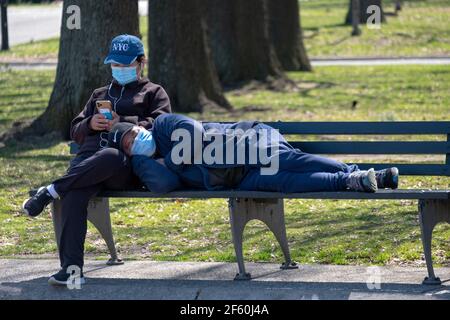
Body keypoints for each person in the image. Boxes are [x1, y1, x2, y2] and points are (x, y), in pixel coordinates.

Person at [22, 34, 172, 286]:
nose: (119, 70)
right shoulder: (99, 94)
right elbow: (75, 131)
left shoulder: (154, 93)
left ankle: (50, 190)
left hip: (122, 168)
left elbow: (161, 128)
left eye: (125, 65)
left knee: (111, 156)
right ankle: (71, 270)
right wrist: (91, 123)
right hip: (86, 165)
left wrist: (121, 124)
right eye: (115, 64)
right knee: (73, 194)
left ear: (140, 62)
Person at [107, 114, 399, 195]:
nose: (137, 141)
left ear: (138, 127)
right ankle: (350, 183)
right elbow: (163, 185)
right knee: (285, 183)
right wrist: (143, 160)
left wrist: (168, 160)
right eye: (130, 147)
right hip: (236, 179)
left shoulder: (162, 126)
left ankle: (355, 172)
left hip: (247, 144)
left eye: (133, 134)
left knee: (289, 161)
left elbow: (193, 135)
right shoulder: (150, 164)